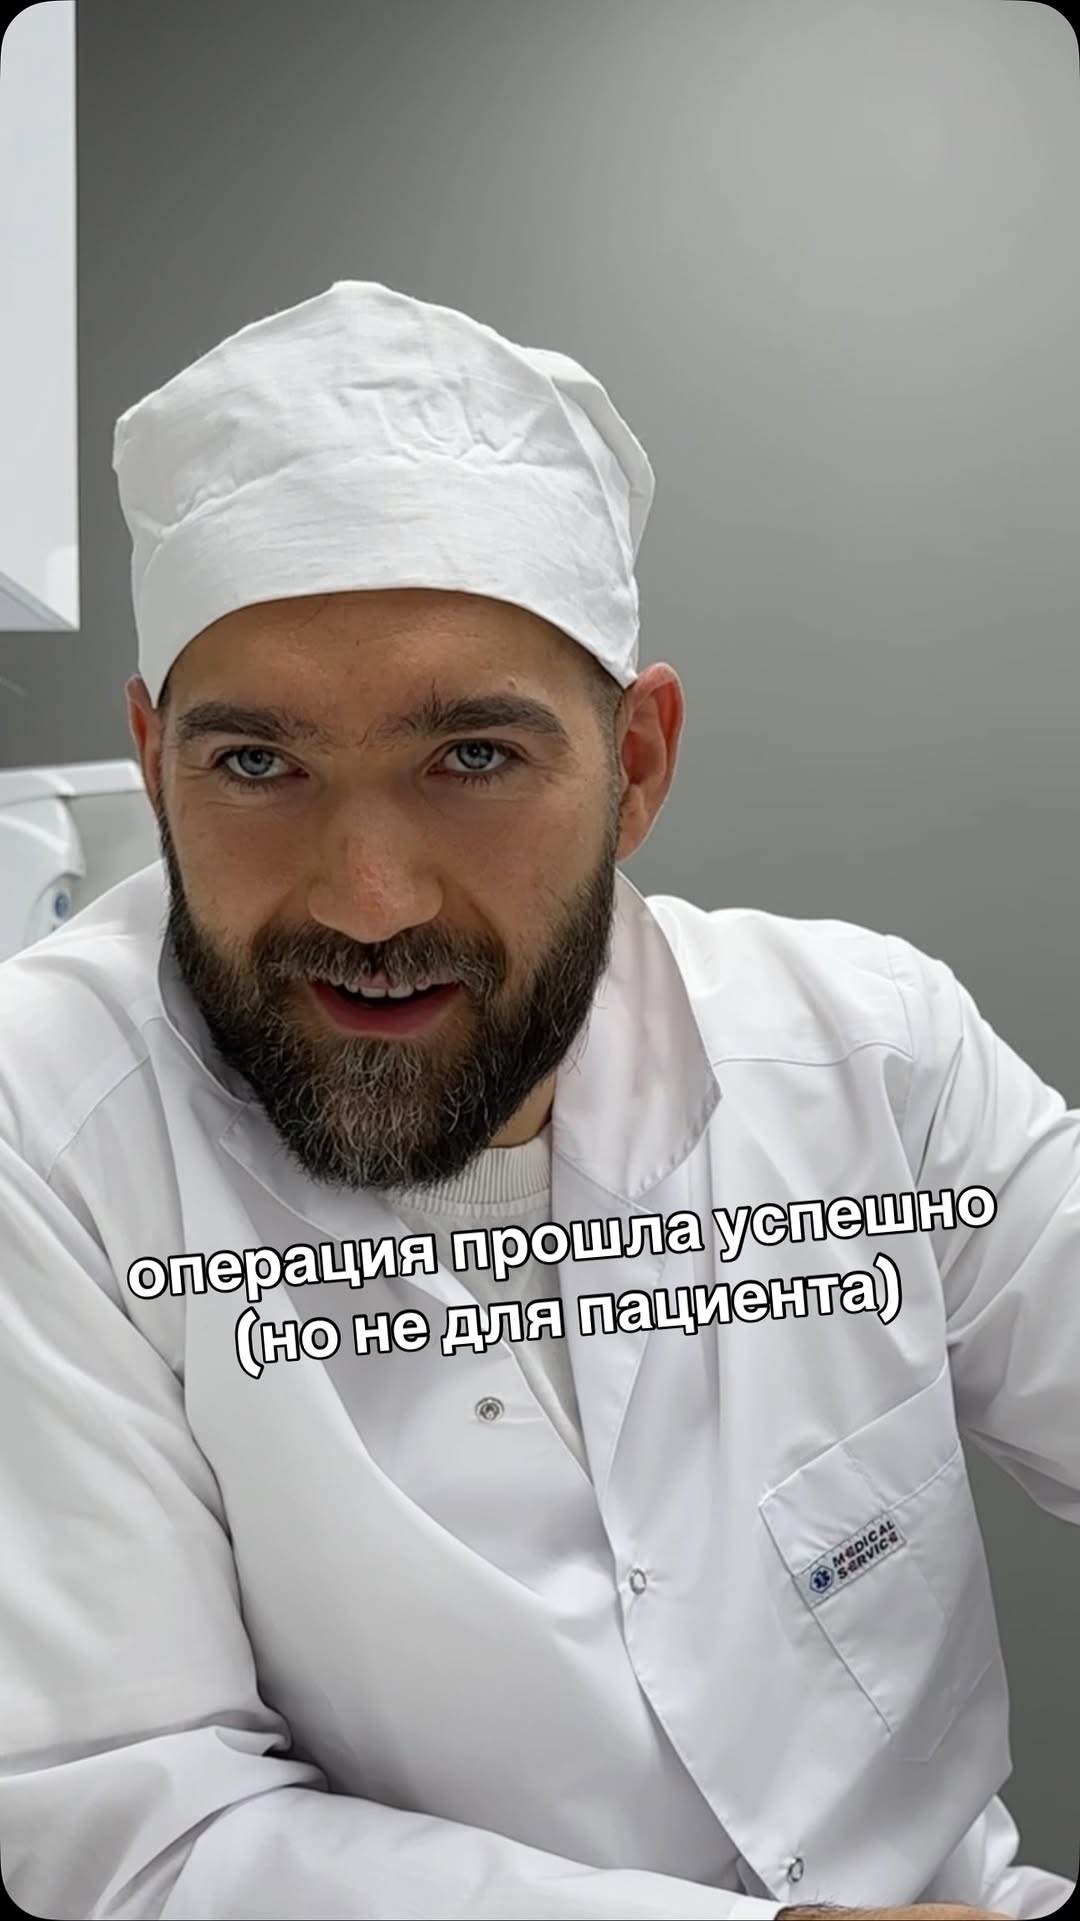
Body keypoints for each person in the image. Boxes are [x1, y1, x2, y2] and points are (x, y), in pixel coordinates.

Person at [0, 281, 1075, 1921]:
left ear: (635, 763)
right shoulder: (47, 1129)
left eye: (474, 758)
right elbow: (134, 1831)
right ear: (154, 762)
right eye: (257, 765)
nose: (367, 899)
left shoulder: (873, 1052)